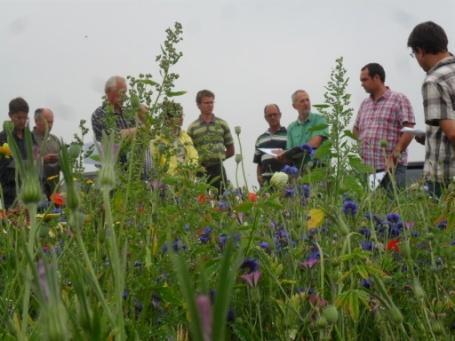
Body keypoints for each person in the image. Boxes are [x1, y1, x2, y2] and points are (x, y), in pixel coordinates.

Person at [408, 21, 455, 197]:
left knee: (441, 225)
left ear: (420, 51)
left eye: (415, 54)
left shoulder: (434, 80)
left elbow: (452, 133)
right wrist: (427, 137)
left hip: (444, 178)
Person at [353, 63, 416, 191]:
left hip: (392, 168)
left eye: (364, 80)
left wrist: (394, 156)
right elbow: (355, 129)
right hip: (368, 170)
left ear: (376, 78)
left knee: (393, 207)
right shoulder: (365, 103)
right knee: (372, 209)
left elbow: (409, 131)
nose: (362, 84)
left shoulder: (399, 99)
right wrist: (360, 148)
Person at [187, 89, 234, 194]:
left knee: (222, 200)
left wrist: (219, 158)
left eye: (212, 102)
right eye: (206, 103)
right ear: (198, 105)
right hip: (200, 171)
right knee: (203, 200)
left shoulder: (222, 124)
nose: (210, 105)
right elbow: (189, 152)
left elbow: (231, 150)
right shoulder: (192, 128)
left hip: (218, 169)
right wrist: (198, 165)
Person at [282, 90, 328, 169]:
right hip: (299, 173)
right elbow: (289, 153)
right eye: (302, 101)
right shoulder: (291, 128)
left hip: (318, 170)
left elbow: (315, 143)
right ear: (294, 106)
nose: (306, 103)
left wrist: (295, 151)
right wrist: (282, 156)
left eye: (307, 100)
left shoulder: (320, 119)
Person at [0, 97, 33, 209]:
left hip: (29, 191)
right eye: (18, 117)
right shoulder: (2, 138)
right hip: (9, 193)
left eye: (25, 117)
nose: (22, 121)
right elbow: (5, 166)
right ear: (10, 115)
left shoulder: (30, 138)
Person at [151, 102, 198, 176]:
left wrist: (188, 169)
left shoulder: (185, 136)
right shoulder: (157, 139)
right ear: (167, 119)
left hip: (187, 181)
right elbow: (154, 163)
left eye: (182, 115)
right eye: (178, 116)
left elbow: (194, 156)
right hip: (167, 183)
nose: (182, 118)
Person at [91, 75, 136, 142]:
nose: (125, 96)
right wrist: (140, 130)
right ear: (109, 92)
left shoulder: (128, 112)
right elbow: (114, 137)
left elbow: (143, 135)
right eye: (122, 92)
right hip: (113, 152)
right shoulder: (99, 114)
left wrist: (141, 114)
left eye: (125, 92)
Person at [253, 104, 287, 186]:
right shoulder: (260, 139)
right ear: (265, 118)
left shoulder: (288, 135)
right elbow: (259, 162)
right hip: (266, 184)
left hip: (284, 182)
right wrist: (259, 177)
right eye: (269, 115)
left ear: (280, 115)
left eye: (274, 114)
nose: (272, 117)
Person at [32, 108, 61, 198]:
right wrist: (43, 160)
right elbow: (24, 165)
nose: (50, 125)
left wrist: (60, 159)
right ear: (36, 121)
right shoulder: (28, 139)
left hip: (54, 189)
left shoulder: (55, 140)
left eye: (51, 122)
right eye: (47, 122)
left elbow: (62, 162)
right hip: (36, 191)